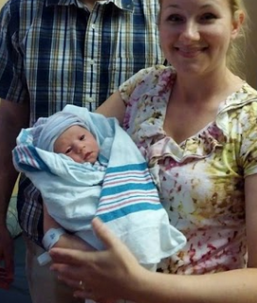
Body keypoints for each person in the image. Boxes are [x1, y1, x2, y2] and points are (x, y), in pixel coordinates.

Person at [0, 0, 164, 303]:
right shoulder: (19, 14)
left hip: (134, 240)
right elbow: (9, 120)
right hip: (47, 242)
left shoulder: (166, 20)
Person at [49, 0, 257, 303]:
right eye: (175, 18)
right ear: (159, 24)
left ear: (236, 24)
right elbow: (58, 159)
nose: (188, 34)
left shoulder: (252, 122)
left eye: (208, 17)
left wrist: (134, 284)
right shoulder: (142, 88)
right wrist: (60, 242)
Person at [13, 105, 186, 269]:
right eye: (67, 150)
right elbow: (62, 199)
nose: (80, 147)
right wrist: (54, 238)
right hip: (83, 240)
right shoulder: (66, 173)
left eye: (82, 138)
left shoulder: (112, 153)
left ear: (93, 133)